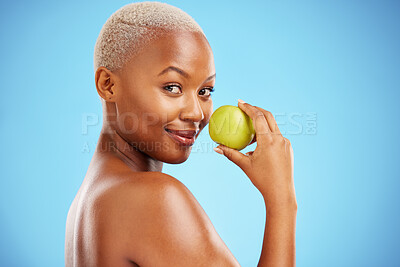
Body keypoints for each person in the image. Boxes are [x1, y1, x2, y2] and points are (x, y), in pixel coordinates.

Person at [65, 2, 297, 266]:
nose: (197, 114)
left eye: (204, 91)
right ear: (108, 85)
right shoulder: (154, 199)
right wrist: (282, 199)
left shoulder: (89, 202)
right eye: (172, 87)